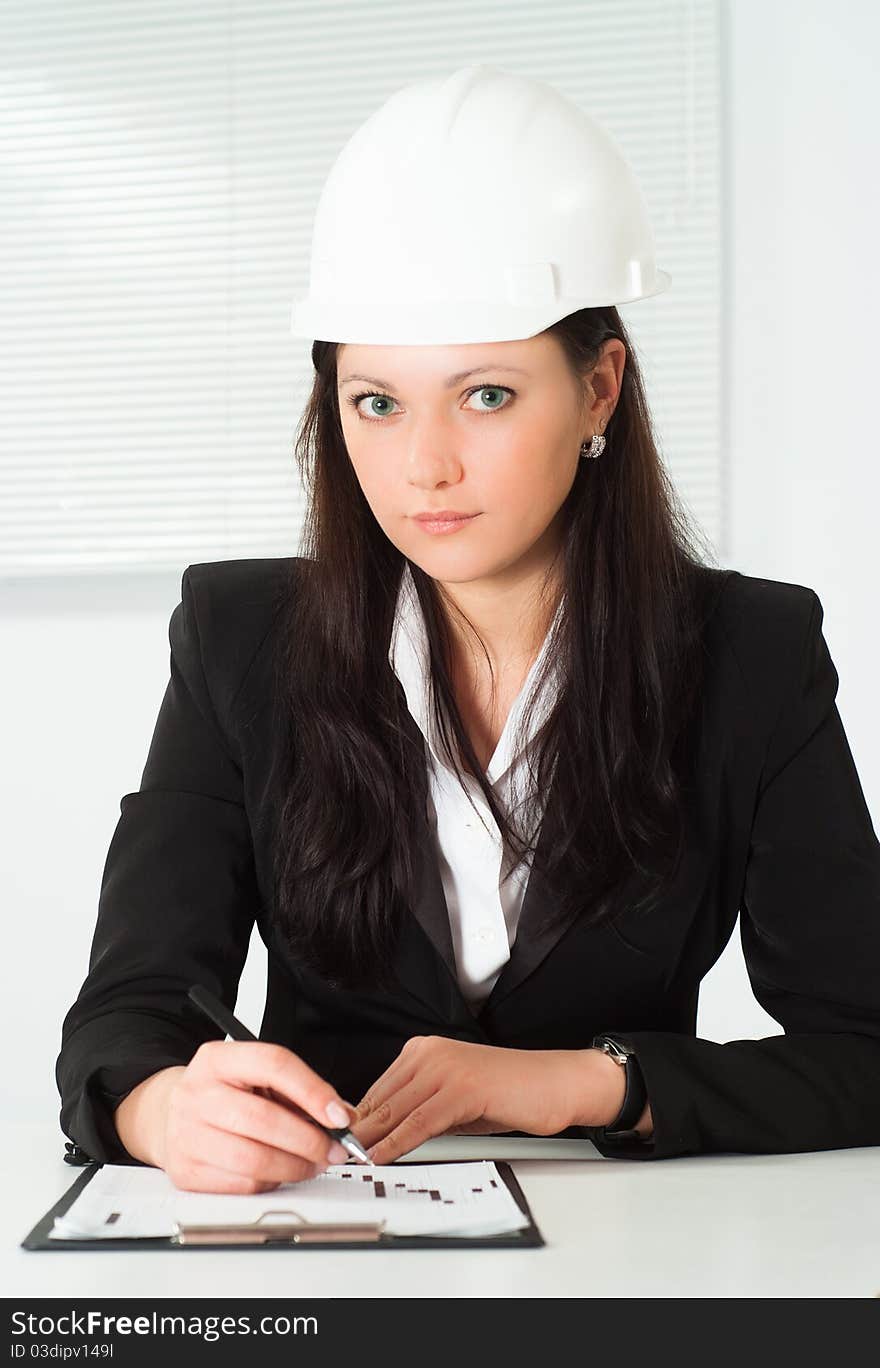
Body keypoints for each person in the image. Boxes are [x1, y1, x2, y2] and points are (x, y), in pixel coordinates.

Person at [56, 65, 880, 1195]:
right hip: (324, 1236)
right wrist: (158, 1111)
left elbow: (863, 1052)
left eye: (485, 394)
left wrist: (584, 1083)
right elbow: (123, 1018)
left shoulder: (753, 655)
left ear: (599, 390)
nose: (422, 465)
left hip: (636, 1249)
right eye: (376, 402)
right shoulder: (238, 639)